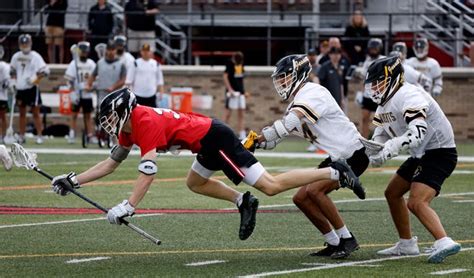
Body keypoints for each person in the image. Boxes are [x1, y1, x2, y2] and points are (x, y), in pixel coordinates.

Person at [50, 88, 362, 242]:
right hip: (205, 139)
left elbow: (148, 170)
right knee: (195, 183)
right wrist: (74, 180)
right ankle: (242, 201)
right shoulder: (130, 125)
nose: (107, 123)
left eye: (110, 116)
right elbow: (110, 163)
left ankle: (335, 171)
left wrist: (129, 205)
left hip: (215, 138)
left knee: (271, 185)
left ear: (125, 111)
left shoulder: (142, 121)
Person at [256, 54, 368, 259]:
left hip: (352, 154)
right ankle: (334, 241)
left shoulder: (313, 92)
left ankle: (347, 238)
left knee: (315, 192)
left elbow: (288, 124)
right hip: (337, 157)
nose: (281, 82)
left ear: (299, 74)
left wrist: (267, 135)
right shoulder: (298, 101)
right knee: (300, 198)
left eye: (285, 77)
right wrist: (258, 142)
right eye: (279, 78)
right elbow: (279, 136)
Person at [364, 56, 460, 263]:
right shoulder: (384, 105)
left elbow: (417, 133)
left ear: (393, 78)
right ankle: (407, 244)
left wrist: (391, 148)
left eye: (378, 81)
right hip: (422, 154)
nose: (374, 87)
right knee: (392, 193)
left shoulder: (409, 94)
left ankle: (444, 241)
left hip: (439, 152)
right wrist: (376, 149)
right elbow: (381, 133)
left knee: (416, 201)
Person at [10, 34, 50, 144]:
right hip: (20, 88)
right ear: (19, 44)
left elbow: (45, 71)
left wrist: (34, 79)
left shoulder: (35, 56)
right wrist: (13, 82)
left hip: (32, 88)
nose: (24, 45)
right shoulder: (16, 56)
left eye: (26, 43)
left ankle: (40, 135)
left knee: (35, 112)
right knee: (22, 113)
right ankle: (22, 135)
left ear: (30, 43)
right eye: (22, 43)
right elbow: (12, 71)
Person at [64, 41, 96, 144]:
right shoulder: (74, 63)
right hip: (77, 93)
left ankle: (90, 135)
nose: (84, 54)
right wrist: (72, 92)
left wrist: (91, 87)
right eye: (82, 52)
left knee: (88, 116)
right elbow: (69, 80)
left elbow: (96, 78)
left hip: (87, 94)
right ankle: (72, 134)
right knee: (73, 115)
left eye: (85, 52)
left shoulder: (91, 64)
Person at [355, 38, 385, 138]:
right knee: (364, 118)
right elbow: (363, 78)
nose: (373, 50)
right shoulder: (367, 61)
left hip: (379, 95)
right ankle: (364, 140)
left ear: (379, 49)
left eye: (375, 49)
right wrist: (360, 92)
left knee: (383, 120)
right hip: (367, 95)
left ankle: (383, 140)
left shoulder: (383, 60)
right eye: (371, 49)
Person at [125, 43, 164, 107]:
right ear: (141, 52)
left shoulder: (156, 64)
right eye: (144, 51)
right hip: (138, 95)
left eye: (147, 51)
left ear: (150, 52)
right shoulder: (135, 64)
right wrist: (128, 95)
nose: (146, 53)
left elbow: (160, 81)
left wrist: (161, 92)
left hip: (151, 95)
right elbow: (129, 81)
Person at [223, 51, 247, 139]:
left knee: (241, 113)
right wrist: (230, 89)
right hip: (232, 94)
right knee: (228, 114)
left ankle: (242, 134)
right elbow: (225, 77)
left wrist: (243, 92)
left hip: (240, 93)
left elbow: (240, 79)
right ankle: (222, 132)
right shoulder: (230, 64)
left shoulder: (241, 65)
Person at [0, 46, 10, 143]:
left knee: (3, 116)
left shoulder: (4, 66)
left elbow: (6, 81)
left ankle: (3, 135)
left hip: (1, 95)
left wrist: (5, 84)